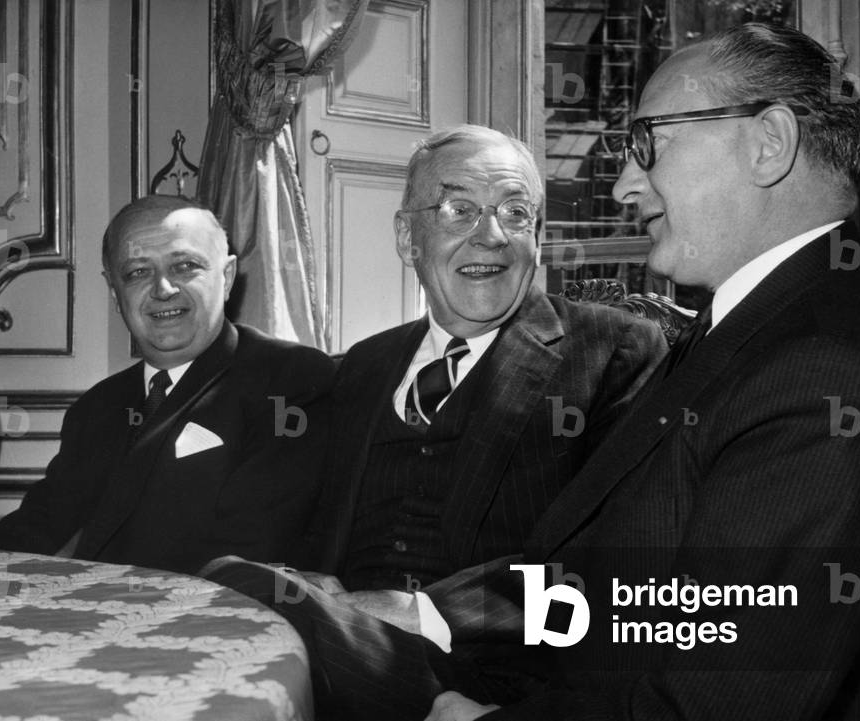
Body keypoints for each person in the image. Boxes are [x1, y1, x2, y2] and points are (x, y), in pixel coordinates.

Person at [425, 23, 860, 721]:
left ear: (768, 143)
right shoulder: (764, 320)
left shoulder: (825, 367)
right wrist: (429, 615)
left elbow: (720, 703)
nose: (624, 185)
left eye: (647, 143)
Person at [202, 124, 668, 719]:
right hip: (346, 643)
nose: (491, 236)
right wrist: (306, 579)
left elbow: (619, 550)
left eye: (516, 213)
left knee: (232, 591)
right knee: (236, 586)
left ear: (537, 237)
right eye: (459, 210)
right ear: (408, 237)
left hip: (495, 674)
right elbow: (311, 512)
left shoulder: (613, 350)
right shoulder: (365, 365)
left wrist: (425, 611)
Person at [0, 196, 335, 575]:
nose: (163, 288)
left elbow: (253, 550)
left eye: (185, 266)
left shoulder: (290, 379)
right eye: (137, 272)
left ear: (227, 276)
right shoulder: (97, 406)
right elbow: (39, 528)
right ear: (114, 291)